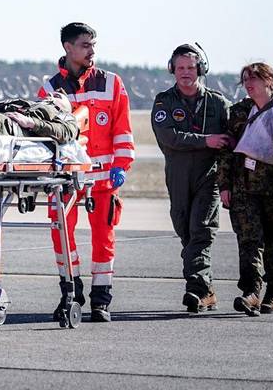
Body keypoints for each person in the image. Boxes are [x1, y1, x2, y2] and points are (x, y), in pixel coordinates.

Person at [38, 22, 134, 322]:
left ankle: (101, 299)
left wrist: (121, 166)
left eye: (94, 45)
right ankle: (71, 292)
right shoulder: (50, 88)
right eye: (85, 45)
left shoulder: (111, 83)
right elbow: (46, 136)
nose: (92, 51)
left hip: (103, 178)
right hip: (66, 178)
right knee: (61, 236)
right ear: (68, 48)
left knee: (103, 237)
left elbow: (123, 131)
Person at [219, 62, 273, 316]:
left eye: (255, 79)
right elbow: (226, 150)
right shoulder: (238, 112)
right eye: (245, 79)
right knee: (248, 241)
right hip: (244, 187)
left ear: (269, 81)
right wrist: (224, 184)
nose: (249, 84)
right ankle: (251, 292)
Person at [151, 44, 234, 313]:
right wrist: (206, 140)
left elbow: (230, 143)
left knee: (201, 231)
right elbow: (168, 137)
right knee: (185, 231)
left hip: (208, 177)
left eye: (190, 67)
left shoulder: (219, 104)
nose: (186, 73)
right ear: (172, 70)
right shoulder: (164, 101)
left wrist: (227, 183)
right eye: (180, 68)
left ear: (200, 69)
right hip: (177, 176)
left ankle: (195, 289)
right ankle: (206, 289)